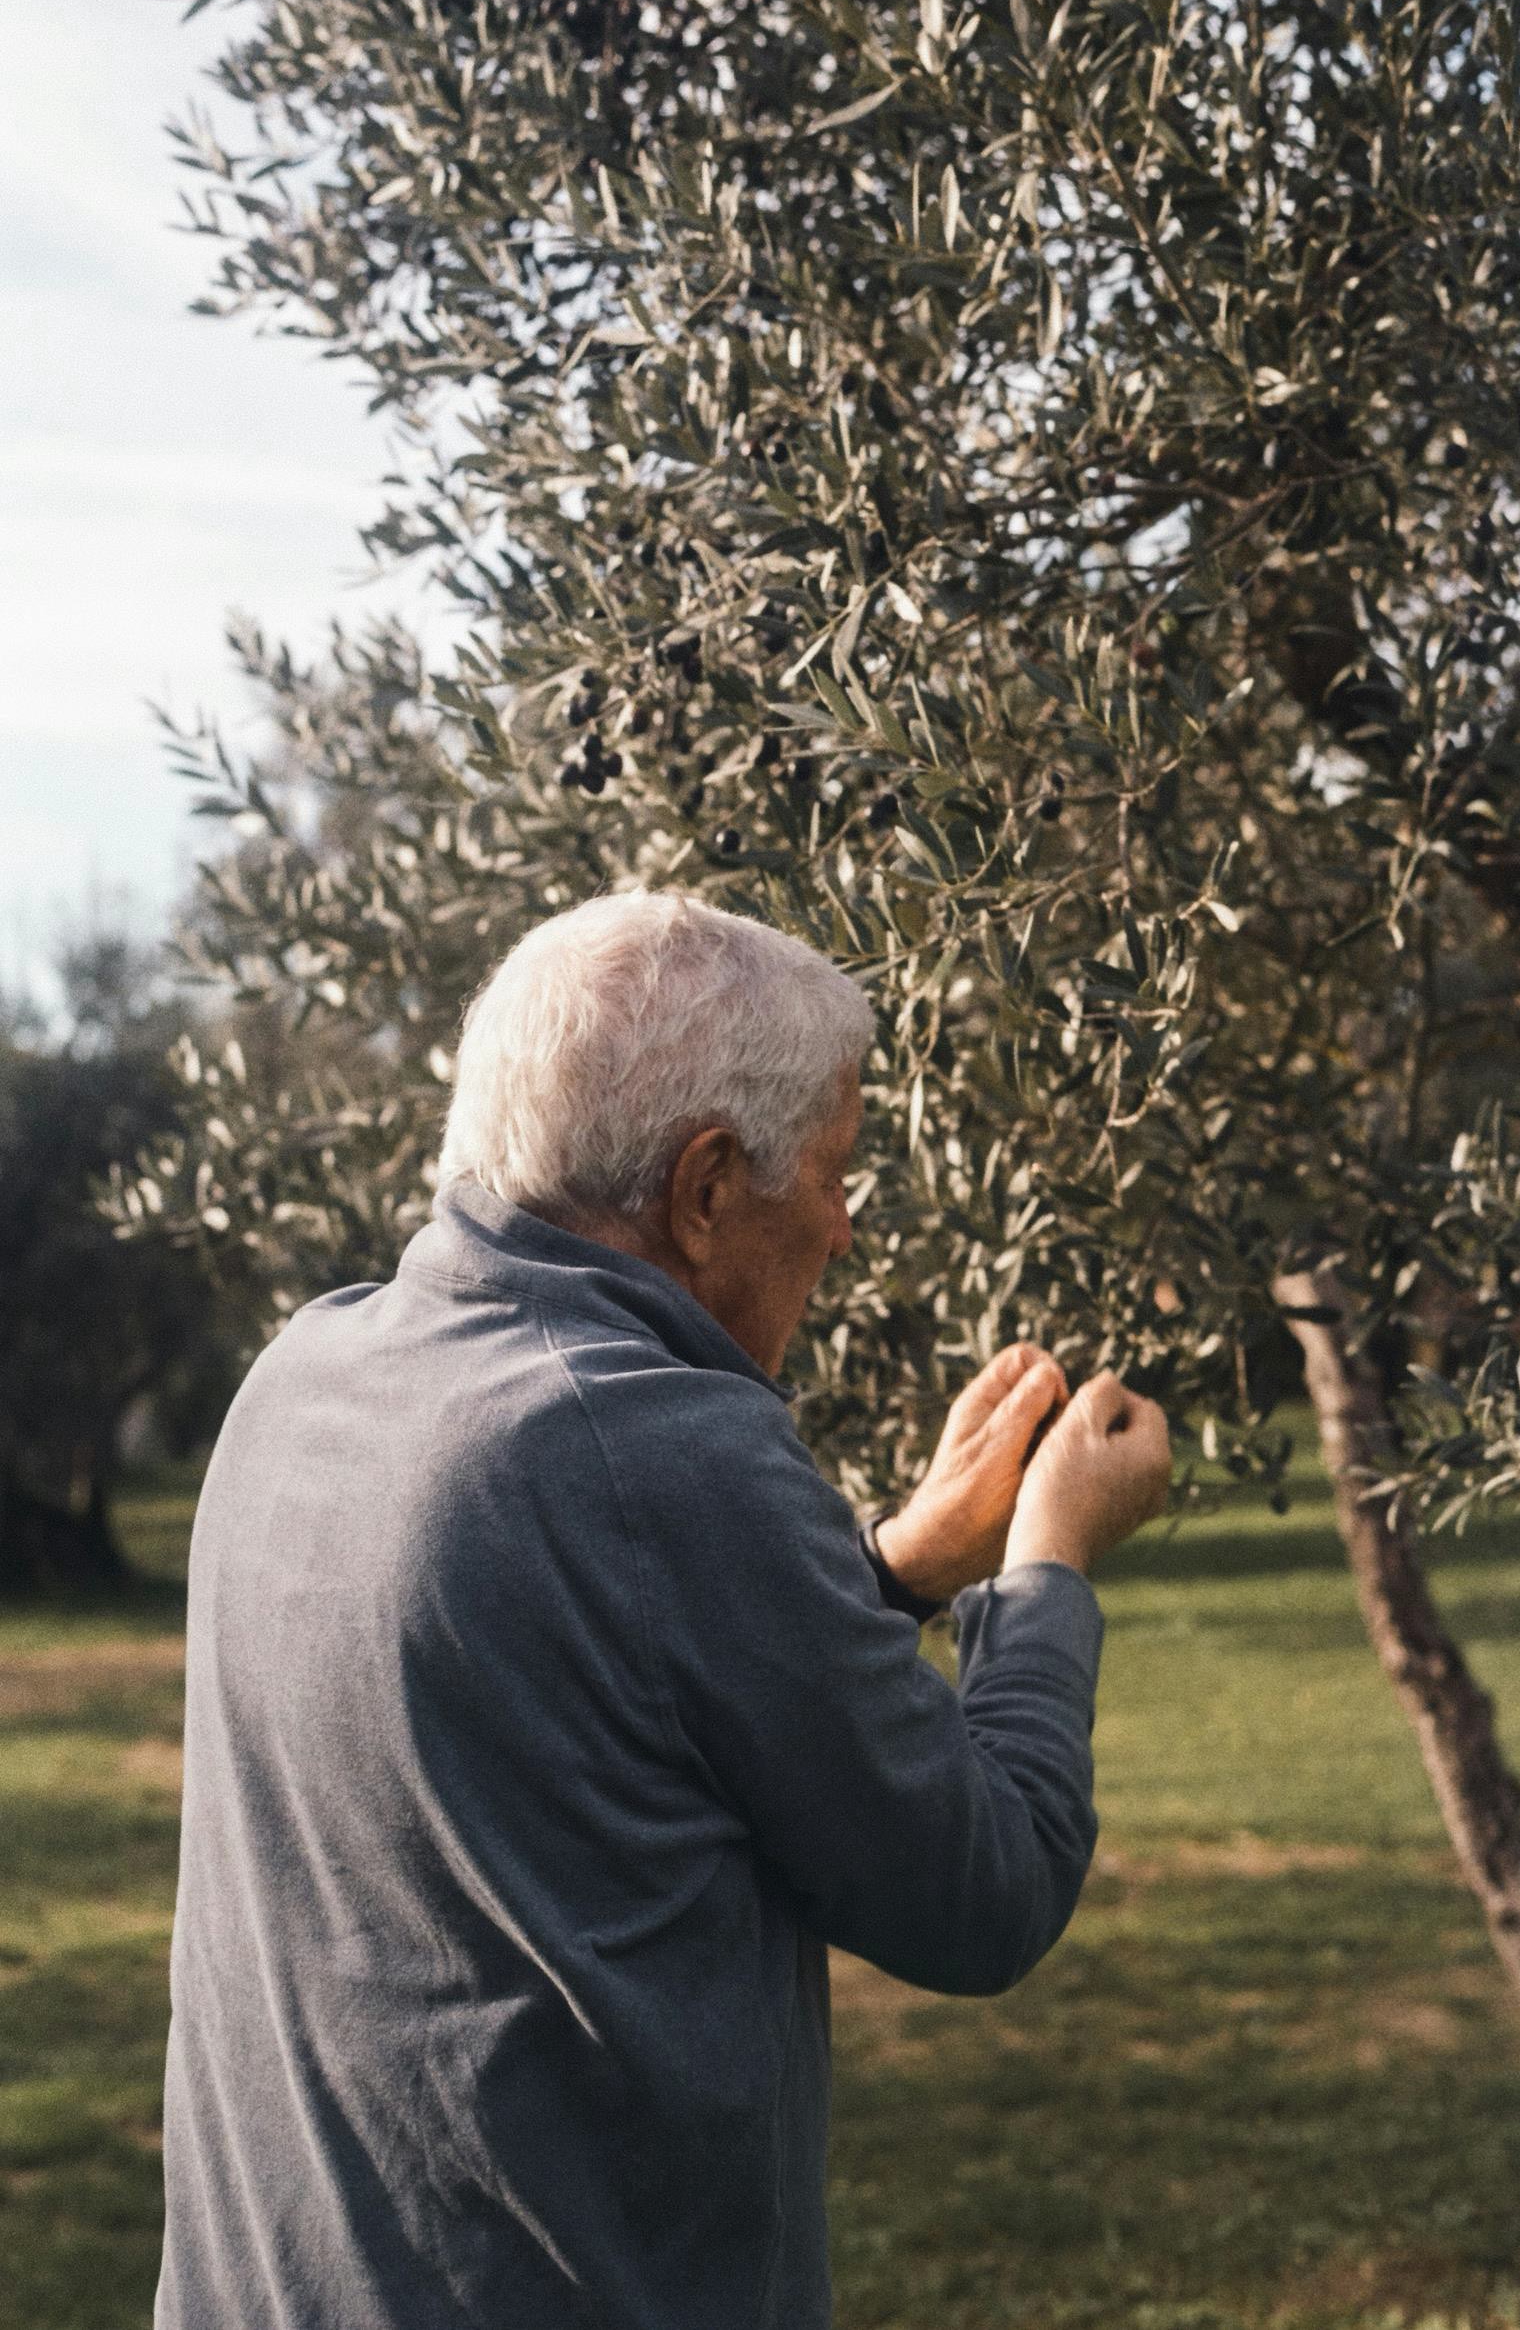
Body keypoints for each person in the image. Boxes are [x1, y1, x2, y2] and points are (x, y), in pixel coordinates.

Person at [155, 887, 1171, 2330]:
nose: (844, 1225)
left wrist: (893, 1568)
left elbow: (592, 1681)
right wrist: (1050, 1561)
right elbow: (984, 1891)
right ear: (704, 1189)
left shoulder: (306, 1373)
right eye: (832, 1169)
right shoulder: (660, 1448)